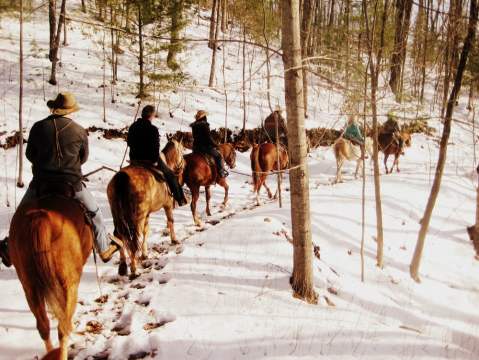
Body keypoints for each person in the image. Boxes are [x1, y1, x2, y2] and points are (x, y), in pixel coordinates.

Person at [0, 92, 122, 267]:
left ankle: (10, 248)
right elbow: (83, 157)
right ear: (70, 110)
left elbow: (30, 154)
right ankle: (104, 248)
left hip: (41, 183)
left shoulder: (38, 127)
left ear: (54, 107)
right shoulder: (79, 130)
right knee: (95, 213)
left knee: (20, 215)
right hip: (71, 184)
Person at [127, 105, 187, 206]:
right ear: (152, 116)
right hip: (148, 160)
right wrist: (155, 160)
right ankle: (180, 199)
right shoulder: (152, 129)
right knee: (171, 175)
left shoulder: (133, 126)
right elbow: (155, 148)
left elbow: (129, 143)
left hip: (134, 159)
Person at [190, 110, 228, 178]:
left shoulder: (194, 126)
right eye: (205, 116)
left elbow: (195, 137)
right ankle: (221, 172)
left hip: (195, 148)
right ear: (204, 117)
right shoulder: (204, 125)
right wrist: (215, 144)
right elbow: (208, 138)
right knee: (218, 156)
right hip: (205, 147)